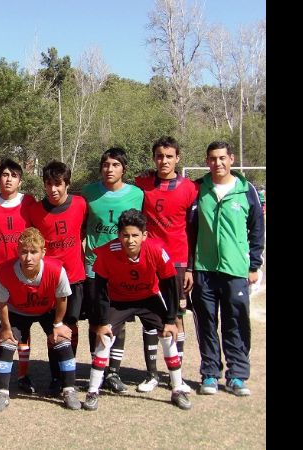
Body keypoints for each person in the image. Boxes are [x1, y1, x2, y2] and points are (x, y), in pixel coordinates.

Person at [84, 209, 190, 411]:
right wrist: (102, 321)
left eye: (135, 235)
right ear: (118, 235)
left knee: (167, 334)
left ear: (144, 235)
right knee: (104, 338)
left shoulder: (157, 250)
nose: (130, 240)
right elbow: (99, 290)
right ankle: (92, 391)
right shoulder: (107, 252)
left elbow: (170, 283)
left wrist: (171, 318)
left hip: (148, 298)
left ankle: (177, 389)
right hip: (118, 300)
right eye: (125, 235)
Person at [190, 141, 265, 397]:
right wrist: (190, 266)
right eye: (212, 158)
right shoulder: (199, 189)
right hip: (204, 269)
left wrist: (254, 264)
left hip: (235, 270)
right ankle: (210, 373)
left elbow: (257, 229)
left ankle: (237, 376)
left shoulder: (246, 190)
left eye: (222, 158)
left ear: (231, 159)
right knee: (207, 322)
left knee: (235, 321)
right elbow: (189, 230)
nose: (217, 163)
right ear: (207, 161)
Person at [0, 227, 80, 412]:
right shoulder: (5, 270)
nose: (28, 258)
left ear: (43, 252)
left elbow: (62, 299)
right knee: (6, 344)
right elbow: (2, 303)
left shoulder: (56, 269)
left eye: (33, 252)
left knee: (62, 341)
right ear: (17, 252)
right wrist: (5, 327)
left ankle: (69, 390)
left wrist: (58, 324)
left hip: (47, 311)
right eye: (24, 252)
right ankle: (3, 393)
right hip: (18, 311)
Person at [134, 136, 198, 393]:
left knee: (177, 317)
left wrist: (190, 267)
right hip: (150, 260)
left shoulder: (190, 188)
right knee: (150, 318)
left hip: (178, 263)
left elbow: (193, 230)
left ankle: (177, 376)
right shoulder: (144, 184)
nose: (164, 161)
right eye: (160, 156)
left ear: (177, 159)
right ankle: (152, 375)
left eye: (169, 156)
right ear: (154, 158)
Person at [82, 147, 144, 395]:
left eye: (115, 165)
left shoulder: (137, 194)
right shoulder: (88, 192)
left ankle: (114, 372)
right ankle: (96, 365)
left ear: (123, 169)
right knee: (95, 321)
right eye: (106, 164)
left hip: (121, 269)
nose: (110, 169)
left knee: (120, 321)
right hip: (93, 267)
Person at [28, 161, 87, 396]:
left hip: (74, 278)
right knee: (53, 330)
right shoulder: (35, 210)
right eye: (49, 184)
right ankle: (55, 377)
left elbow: (84, 230)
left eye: (58, 184)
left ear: (67, 184)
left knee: (70, 327)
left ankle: (68, 375)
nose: (53, 189)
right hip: (49, 282)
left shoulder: (81, 204)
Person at [0, 159, 37, 394]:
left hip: (24, 274)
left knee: (22, 324)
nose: (8, 179)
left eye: (13, 175)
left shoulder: (29, 202)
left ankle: (23, 374)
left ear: (20, 179)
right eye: (4, 174)